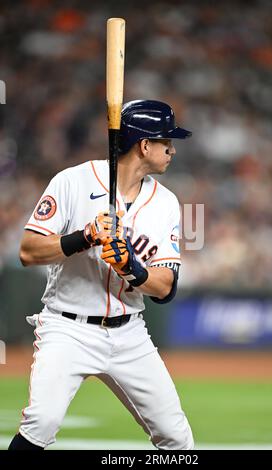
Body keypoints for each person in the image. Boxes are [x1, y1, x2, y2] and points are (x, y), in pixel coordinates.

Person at [8, 100, 194, 451]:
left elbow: (165, 288)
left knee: (176, 437)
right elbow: (28, 251)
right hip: (68, 328)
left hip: (129, 333)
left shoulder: (166, 202)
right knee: (41, 424)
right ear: (144, 145)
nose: (172, 149)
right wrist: (85, 237)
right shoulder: (72, 181)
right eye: (166, 141)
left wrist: (133, 269)